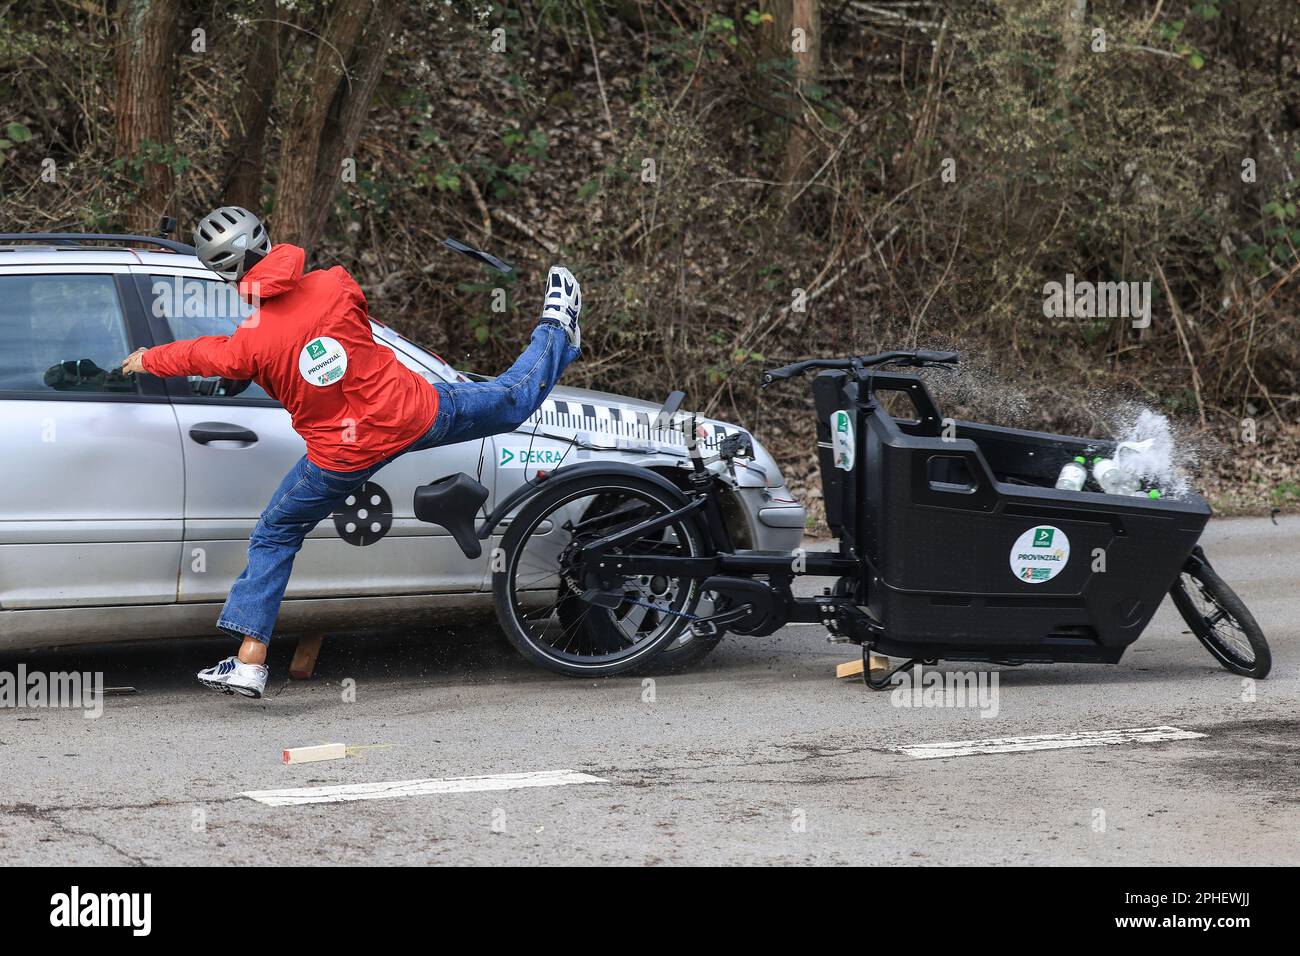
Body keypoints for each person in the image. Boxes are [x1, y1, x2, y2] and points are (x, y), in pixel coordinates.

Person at [121, 206, 581, 699]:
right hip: (411, 415)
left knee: (277, 532)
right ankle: (557, 327)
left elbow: (202, 353)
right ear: (266, 239)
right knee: (510, 403)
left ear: (225, 272)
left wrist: (147, 357)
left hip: (341, 456)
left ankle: (249, 661)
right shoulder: (334, 284)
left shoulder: (248, 346)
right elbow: (354, 333)